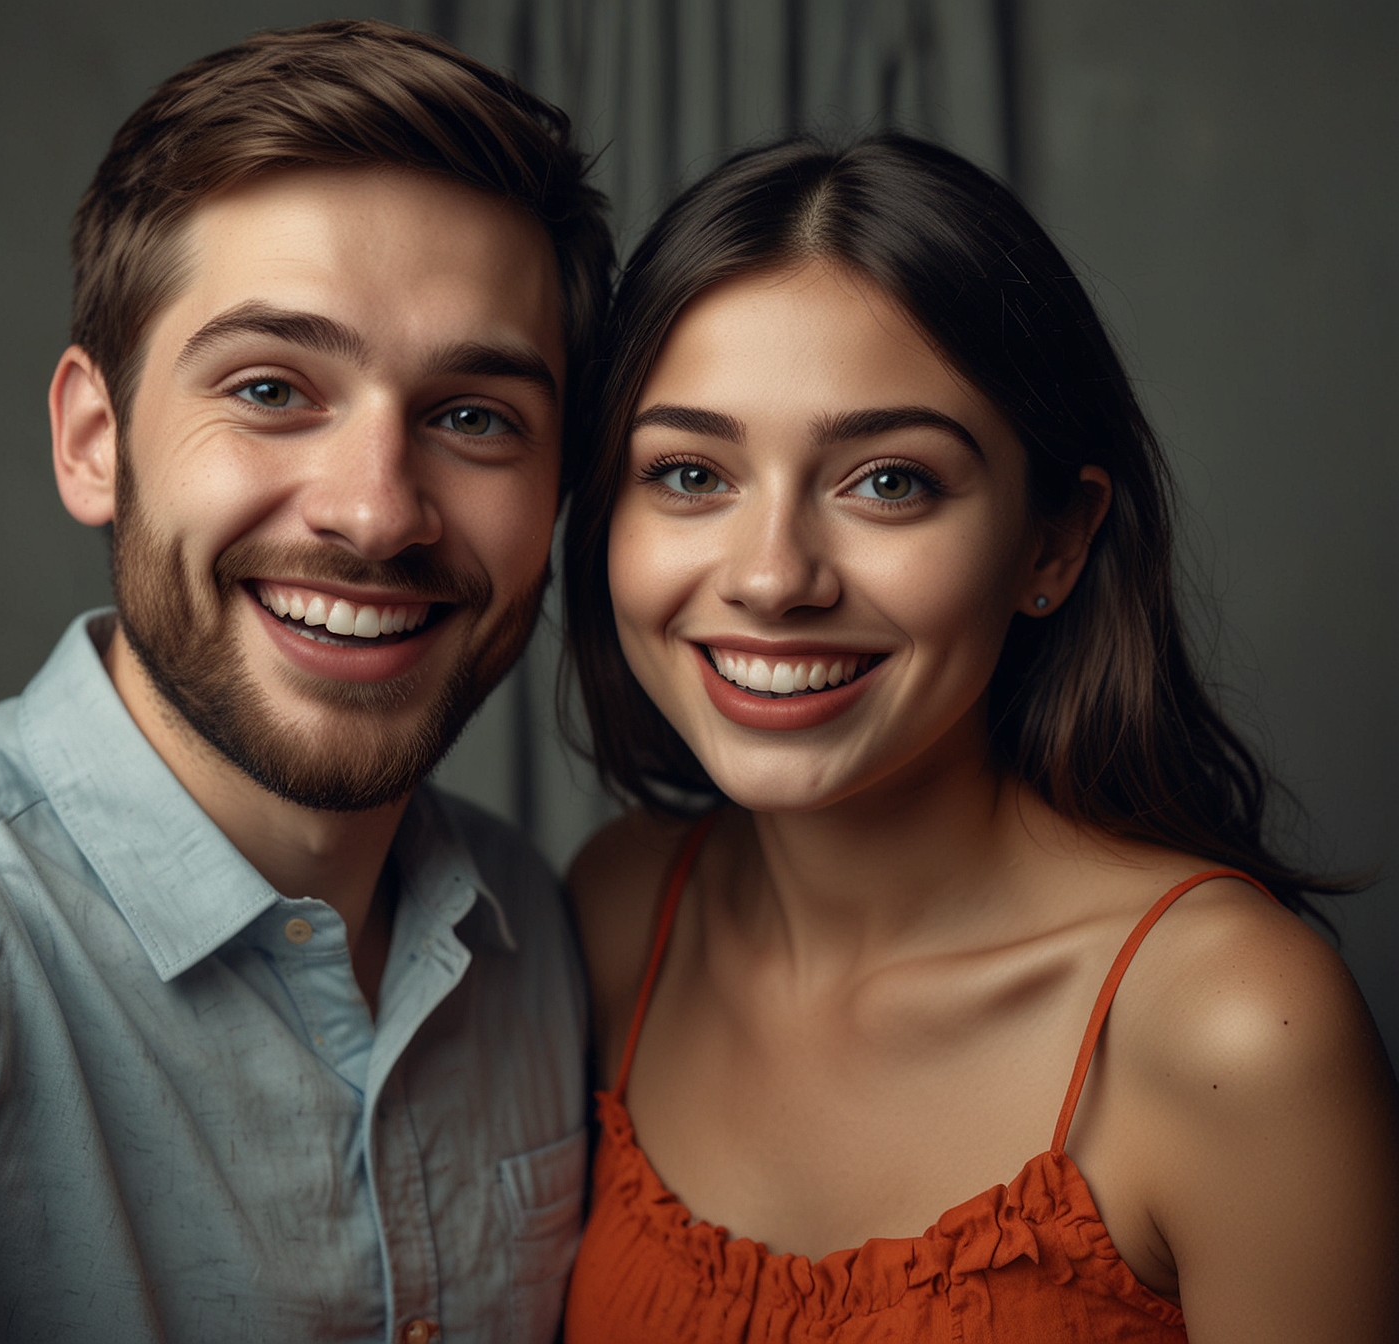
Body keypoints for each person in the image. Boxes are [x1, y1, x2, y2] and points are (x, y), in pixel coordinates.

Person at [0, 21, 612, 1343]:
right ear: (96, 440)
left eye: (476, 417)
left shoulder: (537, 933)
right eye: (269, 388)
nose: (376, 514)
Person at [559, 134, 1399, 1342]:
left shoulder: (1231, 1029)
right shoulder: (619, 913)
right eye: (690, 474)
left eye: (888, 483)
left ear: (1052, 543)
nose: (773, 576)